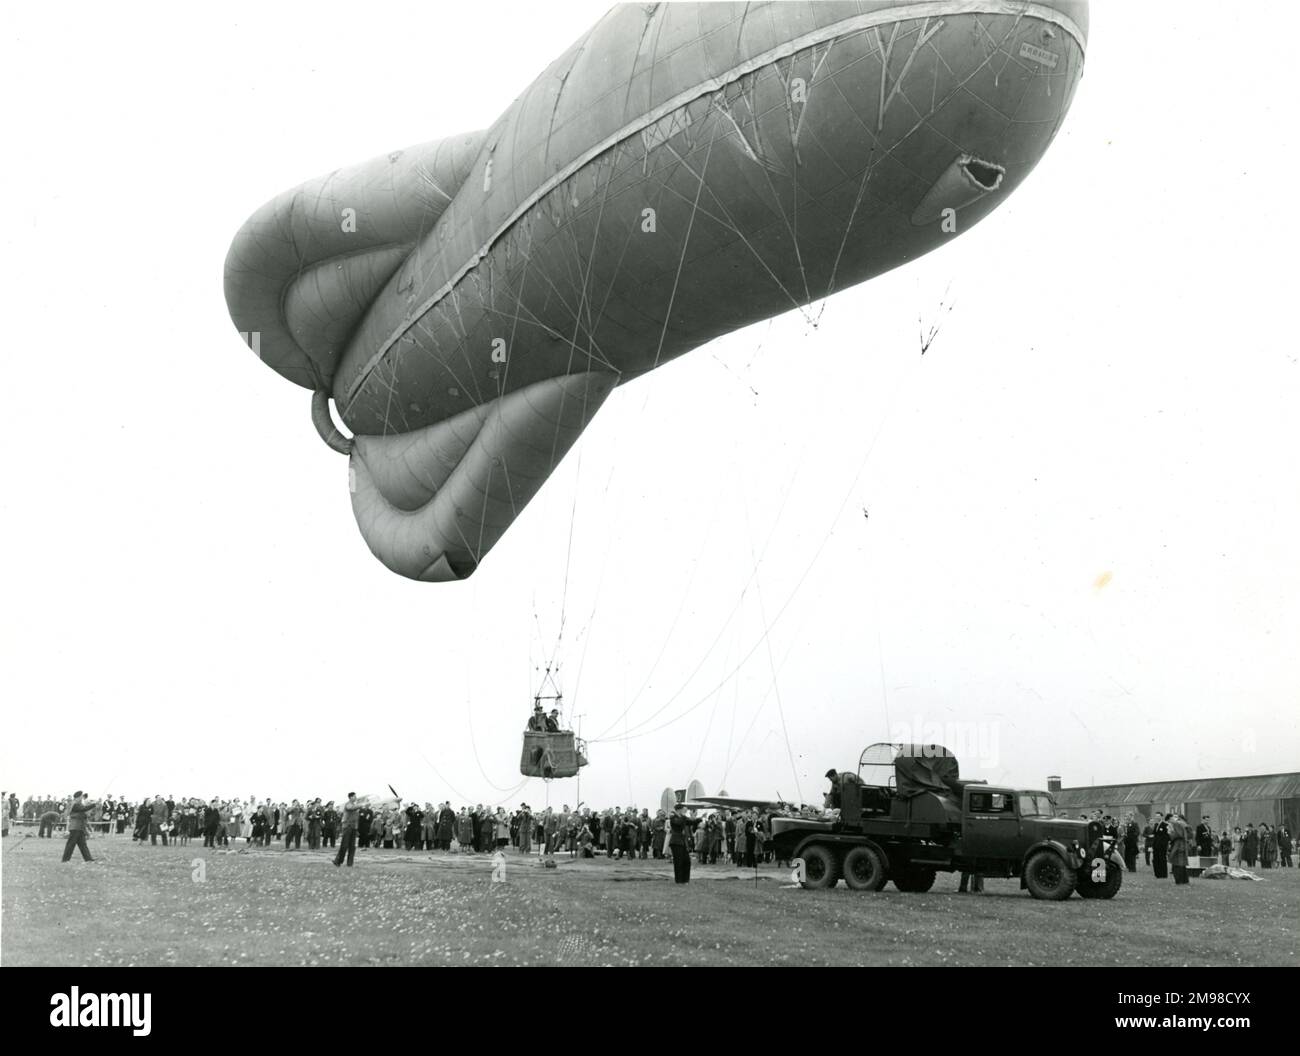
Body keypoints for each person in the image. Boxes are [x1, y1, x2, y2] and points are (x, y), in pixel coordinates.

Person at [667, 803, 701, 884]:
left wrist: (697, 818)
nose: (685, 811)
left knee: (686, 861)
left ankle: (685, 880)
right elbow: (678, 823)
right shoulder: (673, 817)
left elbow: (691, 822)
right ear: (679, 809)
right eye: (684, 809)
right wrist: (684, 817)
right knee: (678, 861)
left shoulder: (683, 817)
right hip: (675, 842)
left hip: (682, 842)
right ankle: (679, 880)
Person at [61, 791, 96, 863]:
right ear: (78, 797)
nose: (82, 797)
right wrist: (94, 805)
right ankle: (65, 860)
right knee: (71, 844)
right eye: (81, 796)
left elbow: (84, 812)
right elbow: (83, 809)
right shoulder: (74, 804)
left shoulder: (79, 804)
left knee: (83, 844)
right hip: (75, 827)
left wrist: (88, 813)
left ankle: (88, 859)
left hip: (80, 827)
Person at [334, 792, 360, 867]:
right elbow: (350, 808)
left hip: (353, 827)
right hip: (347, 826)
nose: (355, 797)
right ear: (350, 797)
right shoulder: (348, 804)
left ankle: (350, 863)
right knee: (344, 845)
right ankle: (338, 861)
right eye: (354, 796)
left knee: (352, 846)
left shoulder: (355, 805)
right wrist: (360, 805)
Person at [1167, 812, 1190, 885]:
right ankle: (1184, 880)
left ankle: (1179, 881)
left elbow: (1178, 834)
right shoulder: (1183, 824)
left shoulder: (1176, 824)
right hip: (1182, 846)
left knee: (1177, 864)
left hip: (1178, 846)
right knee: (1182, 865)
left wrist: (1170, 833)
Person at [1151, 812, 1169, 878]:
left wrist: (1163, 844)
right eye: (1156, 816)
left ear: (1161, 817)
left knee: (1162, 859)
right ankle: (1157, 874)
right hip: (1155, 845)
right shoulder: (1156, 825)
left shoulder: (1165, 825)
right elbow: (1154, 834)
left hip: (1162, 846)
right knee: (1156, 859)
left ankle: (1163, 874)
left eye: (1158, 816)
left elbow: (1167, 836)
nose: (1157, 817)